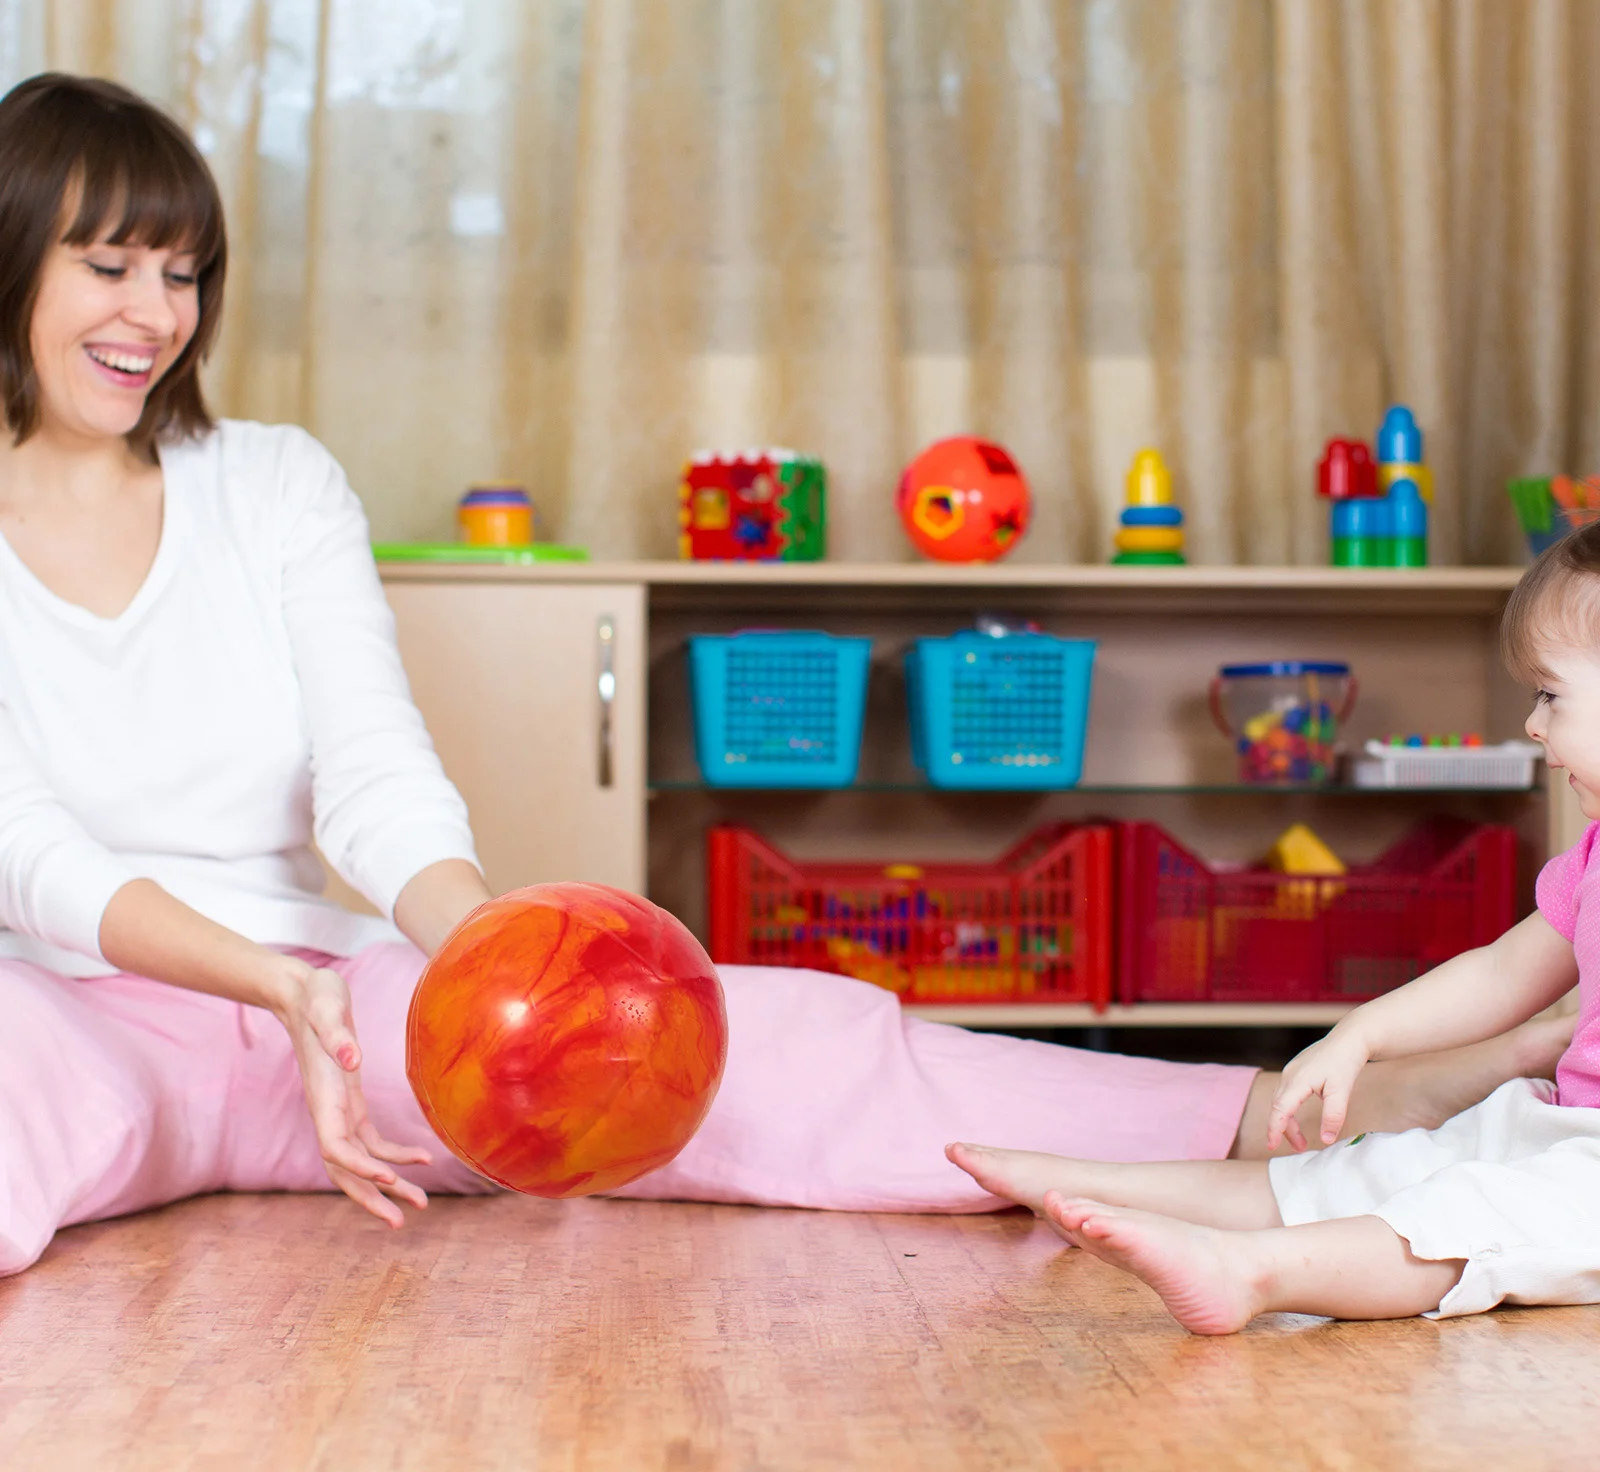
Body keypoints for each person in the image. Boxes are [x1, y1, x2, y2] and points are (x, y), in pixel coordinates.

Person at [0, 73, 1569, 1278]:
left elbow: (373, 767)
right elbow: (31, 852)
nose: (155, 315)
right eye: (111, 268)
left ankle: (1277, 1114)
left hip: (325, 1013)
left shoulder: (270, 482)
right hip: (70, 1010)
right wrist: (261, 984)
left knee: (743, 1042)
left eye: (183, 275)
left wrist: (496, 969)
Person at [948, 524, 1600, 1332]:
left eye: (1549, 695)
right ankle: (1088, 1186)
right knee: (1379, 1169)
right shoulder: (1592, 857)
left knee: (1474, 1214)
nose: (1534, 726)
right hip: (1562, 1121)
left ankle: (1248, 1272)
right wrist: (1361, 1034)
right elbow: (1503, 974)